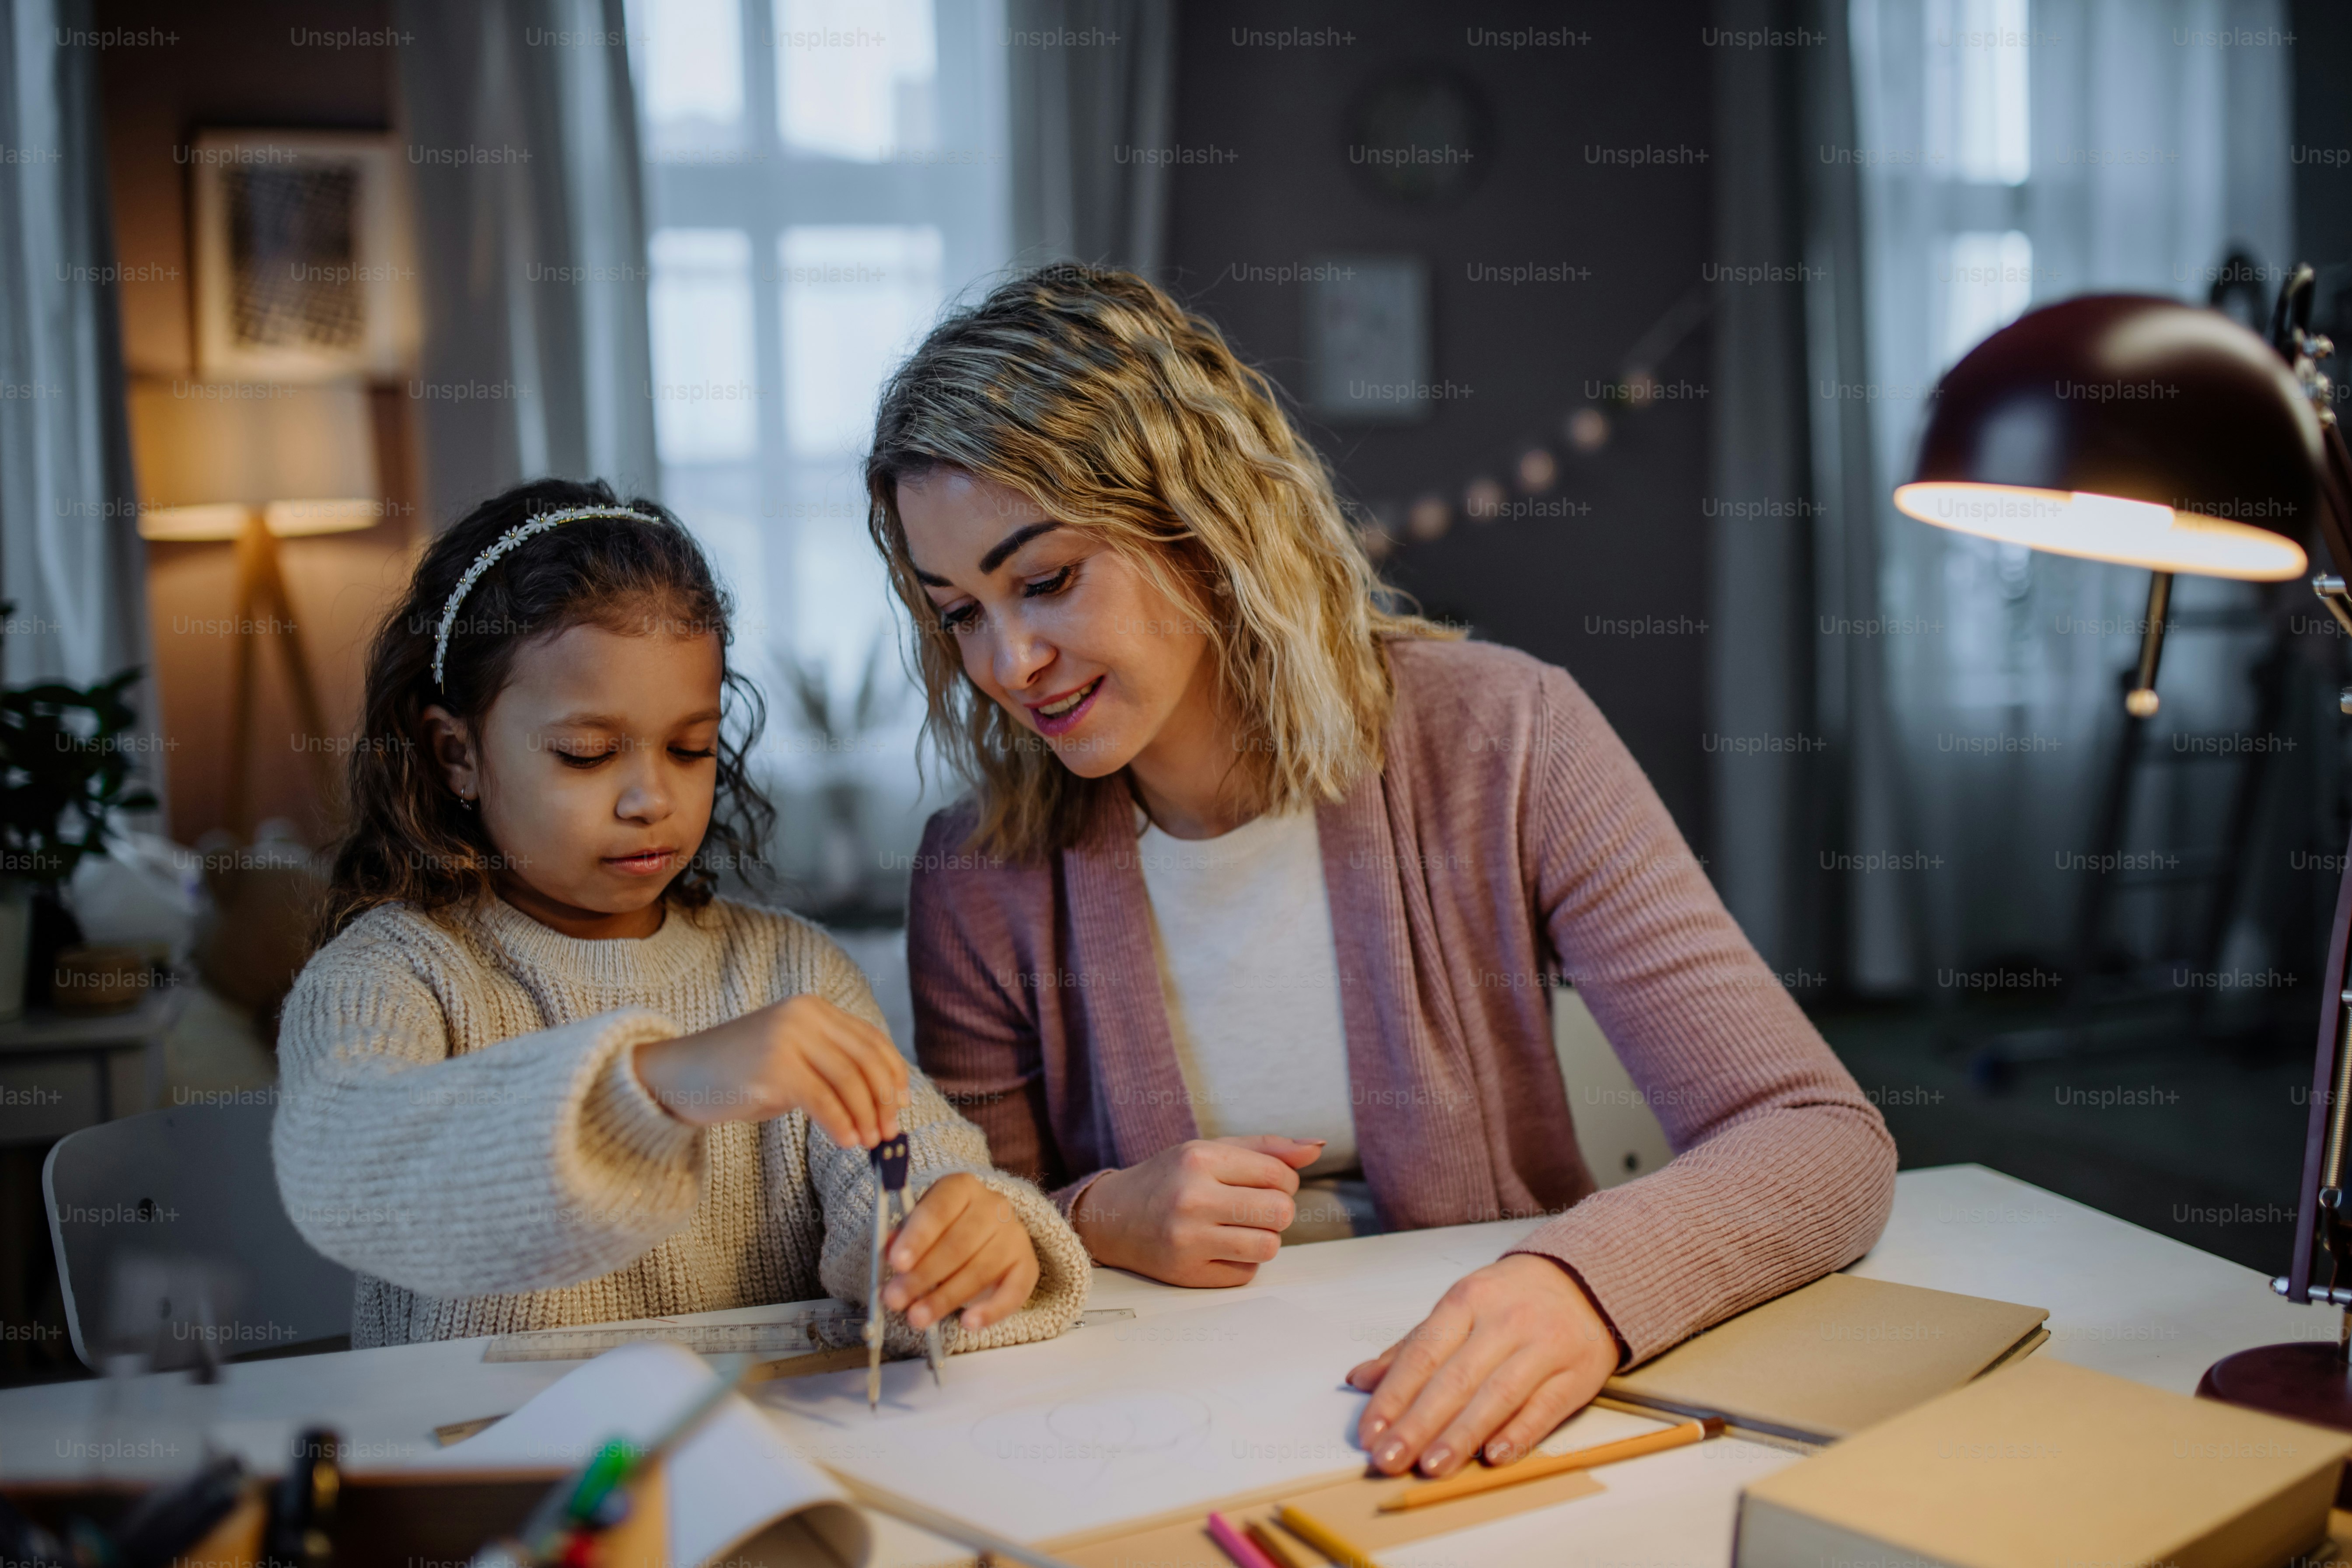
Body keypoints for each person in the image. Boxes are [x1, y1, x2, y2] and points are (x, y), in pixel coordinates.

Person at [867, 268, 1897, 1478]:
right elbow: (968, 1225)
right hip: (1154, 1432)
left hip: (1487, 1396)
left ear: (1202, 525)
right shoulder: (977, 872)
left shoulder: (1507, 735)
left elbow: (1817, 1137)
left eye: (1045, 580)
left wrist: (1580, 1286)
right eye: (960, 613)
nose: (1009, 662)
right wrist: (1091, 1217)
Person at [272, 478, 1087, 1353]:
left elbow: (907, 1171)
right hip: (482, 1441)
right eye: (587, 754)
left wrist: (951, 1238)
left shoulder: (793, 972)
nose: (651, 798)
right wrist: (655, 1086)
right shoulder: (391, 973)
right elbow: (345, 1171)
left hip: (760, 1435)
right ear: (456, 753)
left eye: (690, 747)